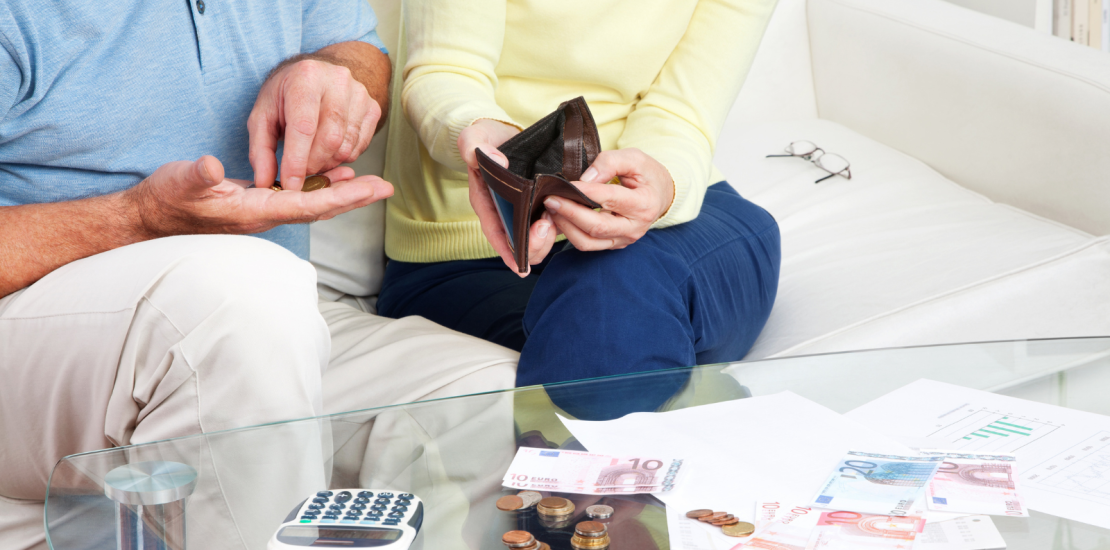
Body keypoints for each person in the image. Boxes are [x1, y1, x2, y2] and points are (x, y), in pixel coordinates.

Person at [0, 2, 517, 549]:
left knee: (490, 402)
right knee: (241, 304)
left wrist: (324, 73)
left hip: (274, 315)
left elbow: (359, 47)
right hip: (38, 323)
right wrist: (140, 218)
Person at [378, 0, 782, 417]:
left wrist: (659, 188)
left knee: (613, 296)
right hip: (473, 251)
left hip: (675, 216)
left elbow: (682, 114)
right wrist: (487, 147)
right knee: (604, 326)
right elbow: (446, 69)